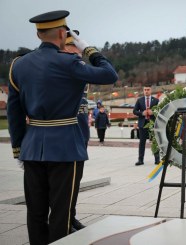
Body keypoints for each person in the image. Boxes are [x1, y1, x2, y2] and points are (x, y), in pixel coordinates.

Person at [7, 10, 118, 244]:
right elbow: (109, 74)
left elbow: (14, 111)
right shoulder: (69, 62)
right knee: (61, 213)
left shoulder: (18, 65)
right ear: (62, 32)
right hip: (65, 146)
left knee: (35, 213)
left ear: (38, 34)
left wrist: (18, 146)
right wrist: (89, 49)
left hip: (32, 147)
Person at [64, 30, 88, 232]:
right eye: (73, 47)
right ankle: (63, 221)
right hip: (66, 137)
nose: (78, 52)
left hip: (80, 136)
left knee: (74, 184)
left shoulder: (80, 70)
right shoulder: (63, 70)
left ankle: (71, 217)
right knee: (64, 186)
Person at [133, 84, 160, 165]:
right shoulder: (139, 100)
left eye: (148, 89)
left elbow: (160, 110)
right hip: (142, 124)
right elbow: (134, 111)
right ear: (143, 90)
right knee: (142, 142)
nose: (146, 91)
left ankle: (157, 159)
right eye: (145, 90)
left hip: (152, 124)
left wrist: (153, 112)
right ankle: (140, 160)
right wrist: (142, 113)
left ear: (151, 90)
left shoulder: (156, 100)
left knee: (154, 142)